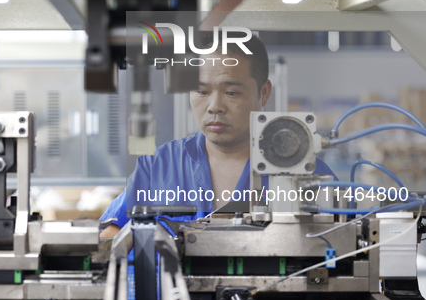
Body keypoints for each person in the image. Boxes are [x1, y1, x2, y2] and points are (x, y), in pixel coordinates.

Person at [100, 34, 336, 237]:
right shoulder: (158, 166)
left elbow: (344, 244)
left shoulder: (308, 174)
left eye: (231, 92)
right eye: (201, 91)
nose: (214, 106)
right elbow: (112, 230)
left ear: (263, 93)